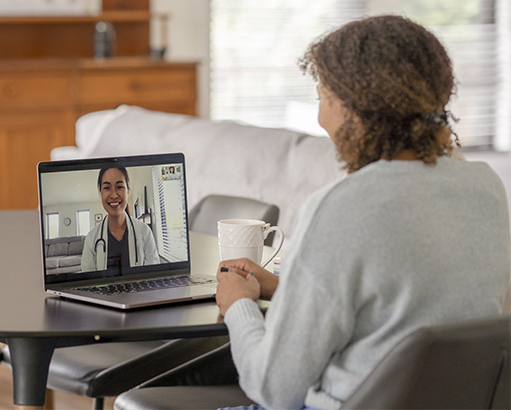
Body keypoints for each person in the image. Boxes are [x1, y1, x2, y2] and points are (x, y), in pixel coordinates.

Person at [216, 15, 510, 410]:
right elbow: (406, 310)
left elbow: (273, 389)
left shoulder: (340, 206)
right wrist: (290, 289)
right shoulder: (486, 189)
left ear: (353, 109)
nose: (321, 119)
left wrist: (238, 303)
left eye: (322, 97)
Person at [81, 166, 160, 273]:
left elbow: (153, 276)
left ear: (128, 191)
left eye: (119, 187)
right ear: (100, 193)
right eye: (107, 188)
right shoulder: (91, 238)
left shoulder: (145, 232)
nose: (114, 195)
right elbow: (88, 282)